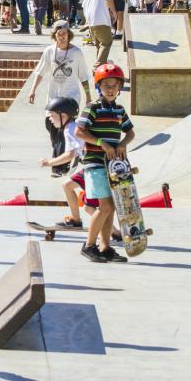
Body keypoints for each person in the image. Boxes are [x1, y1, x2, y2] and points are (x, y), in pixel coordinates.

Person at [75, 62, 134, 263]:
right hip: (95, 163)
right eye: (106, 85)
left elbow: (131, 132)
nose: (110, 89)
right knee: (106, 206)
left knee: (112, 207)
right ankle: (89, 245)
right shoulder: (92, 108)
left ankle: (105, 247)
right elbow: (79, 131)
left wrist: (122, 144)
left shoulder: (119, 110)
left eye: (114, 85)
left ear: (119, 88)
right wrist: (103, 144)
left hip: (112, 167)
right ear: (99, 87)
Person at [28, 20, 92, 173]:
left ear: (69, 35)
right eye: (59, 34)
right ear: (55, 35)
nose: (62, 37)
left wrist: (88, 96)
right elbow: (40, 72)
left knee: (64, 131)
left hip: (70, 98)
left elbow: (83, 76)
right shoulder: (49, 51)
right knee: (51, 128)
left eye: (64, 34)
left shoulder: (76, 53)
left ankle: (59, 166)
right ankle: (61, 158)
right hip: (54, 98)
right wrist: (33, 90)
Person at [81, 0, 116, 66]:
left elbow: (84, 3)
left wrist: (87, 20)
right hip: (101, 18)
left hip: (90, 20)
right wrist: (114, 13)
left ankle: (100, 69)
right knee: (106, 43)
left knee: (99, 46)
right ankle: (97, 68)